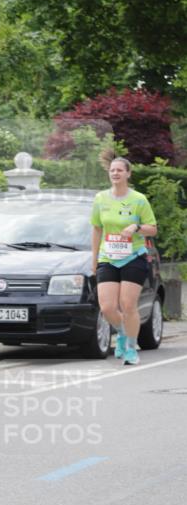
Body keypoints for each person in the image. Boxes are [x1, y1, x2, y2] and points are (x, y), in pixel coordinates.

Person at [90, 155, 157, 365]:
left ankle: (130, 348)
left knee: (127, 305)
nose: (115, 173)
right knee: (108, 307)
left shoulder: (139, 199)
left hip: (133, 257)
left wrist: (136, 227)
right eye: (112, 170)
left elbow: (153, 229)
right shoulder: (101, 199)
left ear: (128, 173)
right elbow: (97, 229)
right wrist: (94, 260)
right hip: (108, 257)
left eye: (120, 170)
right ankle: (122, 332)